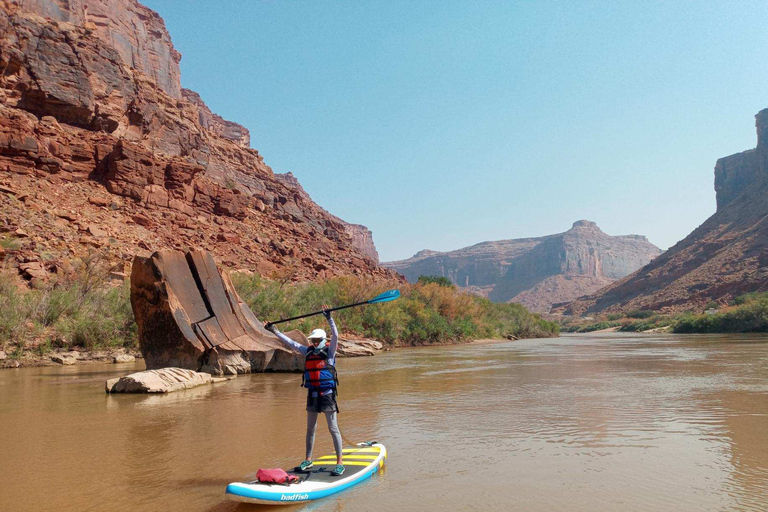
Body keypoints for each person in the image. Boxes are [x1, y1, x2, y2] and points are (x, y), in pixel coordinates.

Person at [266, 305, 345, 476]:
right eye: (313, 340)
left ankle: (339, 462)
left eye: (317, 340)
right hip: (313, 395)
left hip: (327, 396)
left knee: (333, 428)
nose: (315, 343)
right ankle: (308, 459)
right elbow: (291, 343)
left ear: (323, 340)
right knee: (310, 429)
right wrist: (275, 331)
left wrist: (329, 318)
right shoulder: (307, 351)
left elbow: (336, 335)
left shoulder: (330, 352)